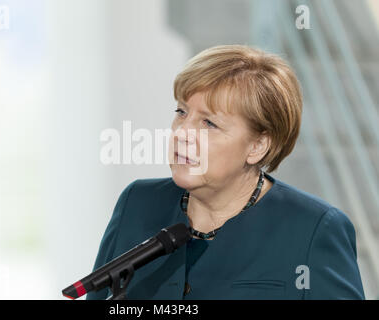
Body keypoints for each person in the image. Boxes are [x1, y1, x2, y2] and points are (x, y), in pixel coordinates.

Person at [86, 45, 365, 300]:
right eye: (181, 112)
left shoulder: (314, 228)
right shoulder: (137, 202)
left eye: (208, 123)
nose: (182, 133)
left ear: (257, 146)